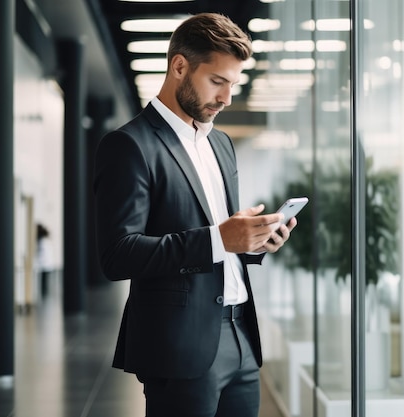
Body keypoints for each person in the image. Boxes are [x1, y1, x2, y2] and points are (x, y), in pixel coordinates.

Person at [93, 13, 297, 417]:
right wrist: (221, 239)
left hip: (242, 338)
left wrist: (255, 241)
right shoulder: (129, 146)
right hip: (180, 346)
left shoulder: (221, 144)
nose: (227, 98)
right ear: (179, 67)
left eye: (233, 84)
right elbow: (118, 254)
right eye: (217, 82)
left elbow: (223, 236)